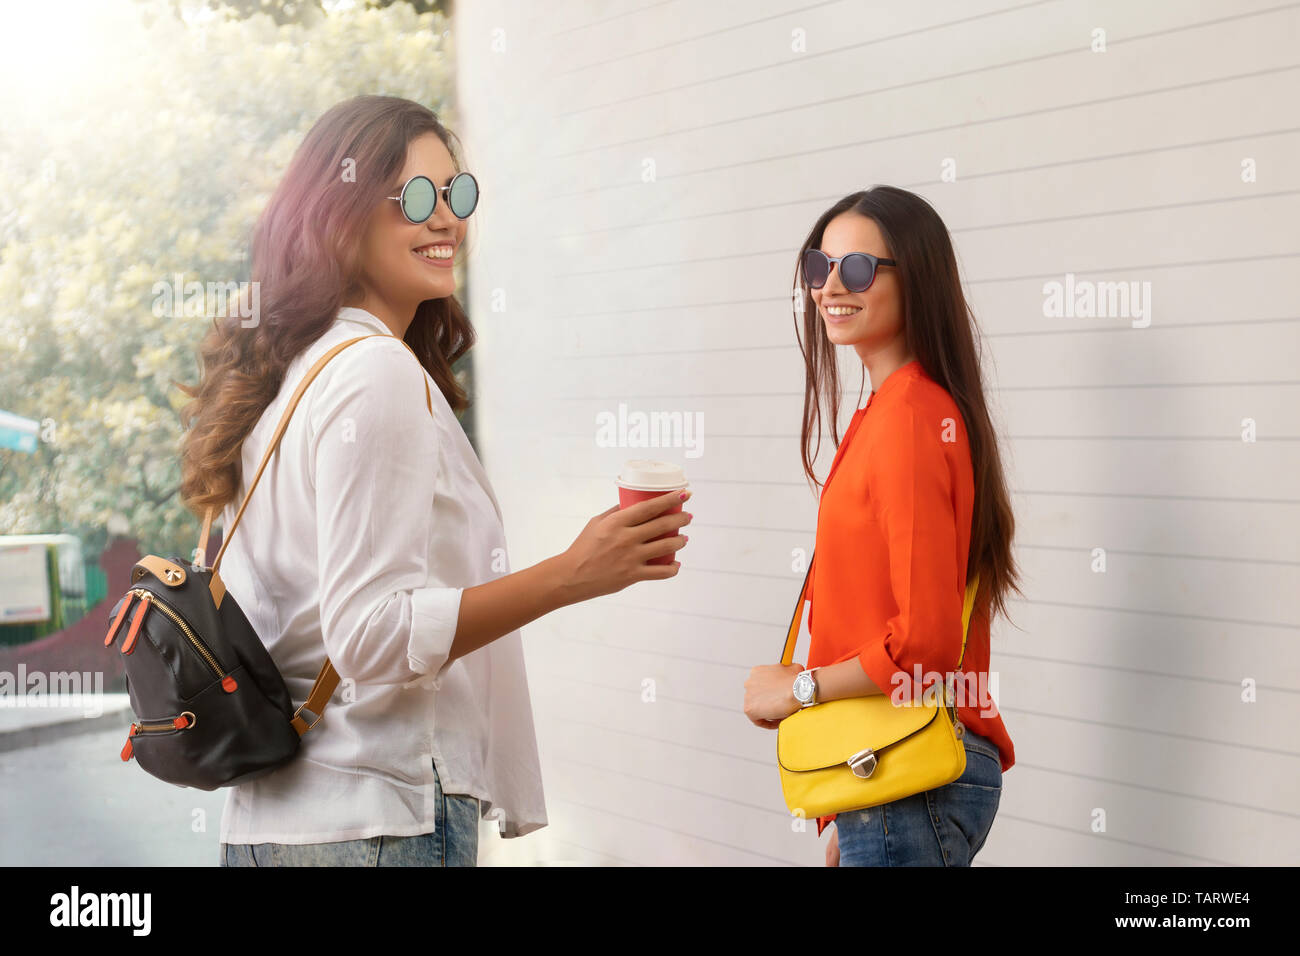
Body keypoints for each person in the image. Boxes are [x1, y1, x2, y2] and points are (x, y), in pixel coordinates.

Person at [177, 94, 691, 867]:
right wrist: (571, 575)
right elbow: (368, 634)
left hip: (274, 826)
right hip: (375, 820)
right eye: (415, 197)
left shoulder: (291, 374)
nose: (446, 218)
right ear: (339, 217)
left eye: (458, 194)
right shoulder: (372, 372)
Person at [743, 186, 1021, 866]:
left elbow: (924, 642)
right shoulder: (898, 412)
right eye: (819, 266)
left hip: (905, 778)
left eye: (859, 268)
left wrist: (800, 688)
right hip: (882, 769)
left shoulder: (910, 419)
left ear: (915, 279)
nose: (831, 286)